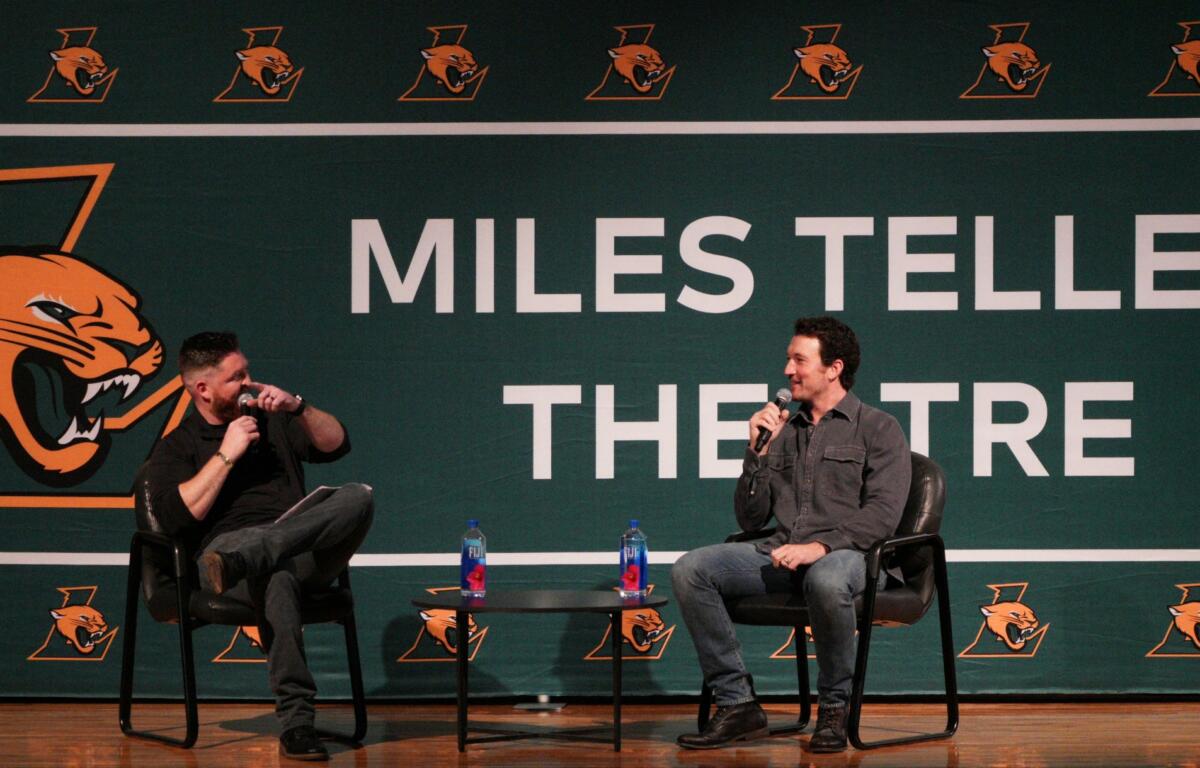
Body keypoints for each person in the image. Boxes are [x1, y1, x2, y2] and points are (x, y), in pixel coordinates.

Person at [672, 316, 910, 752]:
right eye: (788, 359)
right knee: (692, 570)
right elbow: (750, 519)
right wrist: (755, 453)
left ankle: (835, 708)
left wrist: (819, 547)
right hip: (782, 552)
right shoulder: (782, 432)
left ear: (833, 368)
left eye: (799, 359)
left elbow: (883, 515)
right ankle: (738, 703)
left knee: (826, 576)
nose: (787, 370)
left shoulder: (878, 428)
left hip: (852, 557)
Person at [145, 331, 374, 762]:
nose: (250, 383)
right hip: (223, 558)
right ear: (203, 389)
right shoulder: (178, 446)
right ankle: (297, 723)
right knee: (276, 575)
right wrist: (227, 455)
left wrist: (298, 408)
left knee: (359, 494)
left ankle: (255, 554)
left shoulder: (273, 421)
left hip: (274, 549)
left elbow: (336, 444)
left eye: (247, 372)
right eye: (237, 378)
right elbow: (174, 518)